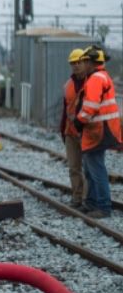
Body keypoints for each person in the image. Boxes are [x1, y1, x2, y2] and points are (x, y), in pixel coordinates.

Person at [76, 46, 121, 219]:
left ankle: (102, 206)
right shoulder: (102, 76)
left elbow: (91, 106)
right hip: (101, 129)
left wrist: (79, 121)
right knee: (90, 167)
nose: (82, 64)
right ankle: (92, 203)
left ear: (90, 62)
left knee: (96, 169)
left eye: (84, 61)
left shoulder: (95, 78)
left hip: (98, 130)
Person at [60, 48, 87, 209]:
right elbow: (65, 110)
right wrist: (62, 129)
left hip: (87, 133)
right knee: (74, 168)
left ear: (85, 62)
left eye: (79, 62)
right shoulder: (68, 85)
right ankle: (77, 198)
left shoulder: (91, 82)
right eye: (73, 63)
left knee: (89, 169)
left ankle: (87, 199)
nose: (76, 66)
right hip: (70, 132)